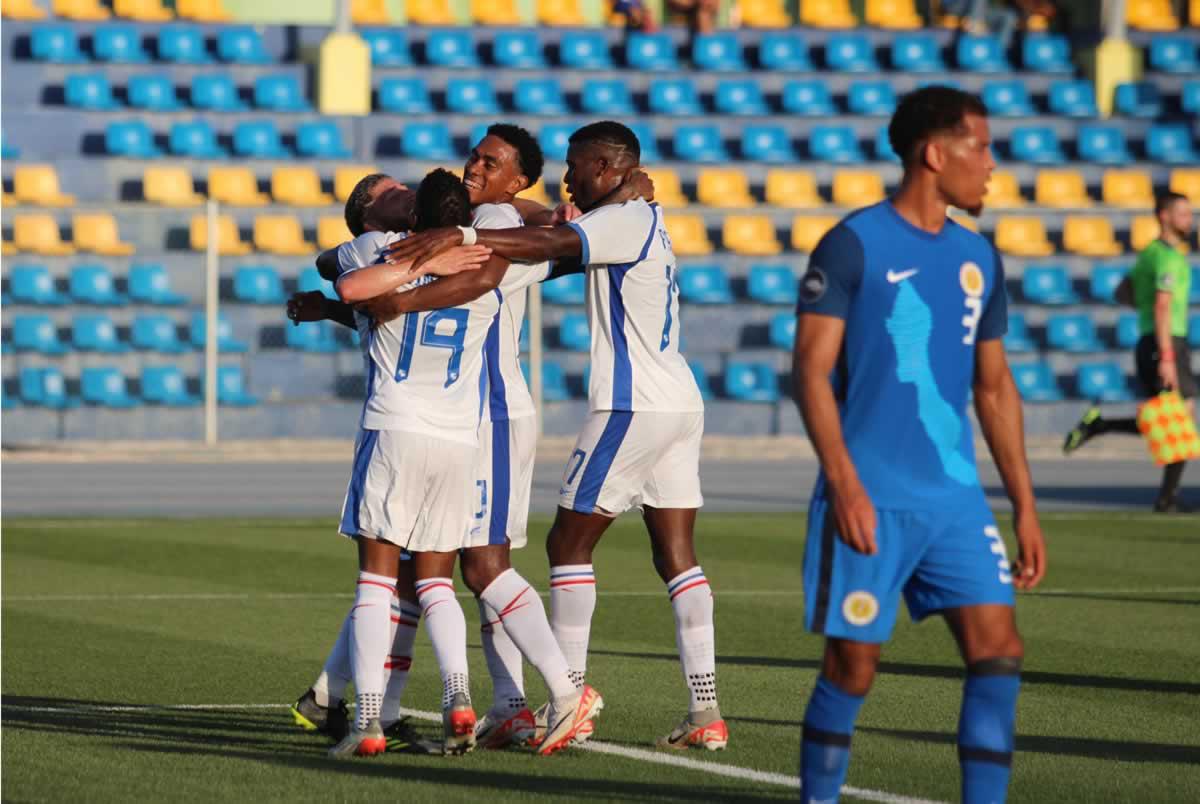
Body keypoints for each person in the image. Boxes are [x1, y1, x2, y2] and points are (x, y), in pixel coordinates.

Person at [385, 121, 727, 752]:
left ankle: (564, 698)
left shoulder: (623, 218)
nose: (568, 179)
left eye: (576, 167)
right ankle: (704, 708)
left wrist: (460, 234)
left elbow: (550, 240)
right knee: (676, 556)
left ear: (606, 165)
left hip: (630, 405)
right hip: (678, 399)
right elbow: (554, 227)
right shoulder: (637, 213)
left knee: (565, 547)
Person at [790, 86, 1047, 803]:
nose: (992, 165)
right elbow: (809, 371)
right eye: (982, 146)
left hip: (956, 502)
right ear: (936, 154)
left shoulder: (979, 258)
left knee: (999, 652)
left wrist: (1023, 505)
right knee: (853, 669)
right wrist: (843, 484)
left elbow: (995, 390)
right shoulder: (853, 243)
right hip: (870, 494)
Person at [334, 167, 602, 758]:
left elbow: (351, 288)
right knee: (436, 579)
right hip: (460, 438)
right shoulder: (487, 261)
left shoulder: (374, 250)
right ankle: (463, 697)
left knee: (387, 580)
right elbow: (557, 240)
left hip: (403, 426)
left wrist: (420, 262)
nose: (399, 189)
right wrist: (463, 244)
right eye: (387, 190)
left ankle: (371, 719)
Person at [1062, 191, 1195, 513]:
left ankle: (1101, 427)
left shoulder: (1149, 253)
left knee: (1175, 420)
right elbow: (1162, 305)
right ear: (1164, 216)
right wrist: (1166, 355)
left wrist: (1144, 306)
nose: (1189, 220)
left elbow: (1123, 291)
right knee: (1178, 421)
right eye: (1183, 214)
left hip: (1157, 341)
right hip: (1165, 343)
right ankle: (1166, 499)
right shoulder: (1165, 257)